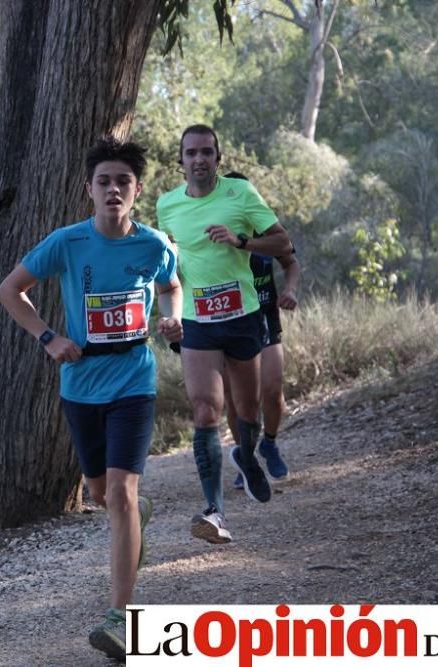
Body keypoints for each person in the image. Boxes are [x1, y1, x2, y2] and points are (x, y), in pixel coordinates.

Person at [0, 137, 182, 662]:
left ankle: (120, 617)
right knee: (101, 495)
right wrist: (48, 337)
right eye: (104, 182)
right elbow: (11, 290)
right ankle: (133, 513)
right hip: (80, 385)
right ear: (89, 190)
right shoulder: (67, 242)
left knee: (120, 494)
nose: (113, 190)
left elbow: (172, 284)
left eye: (123, 181)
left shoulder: (153, 243)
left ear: (136, 190)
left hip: (133, 380)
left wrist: (173, 316)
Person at [156, 124, 292, 545]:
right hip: (198, 322)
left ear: (218, 157)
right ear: (180, 162)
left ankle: (247, 456)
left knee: (247, 411)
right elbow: (167, 265)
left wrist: (241, 241)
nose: (199, 159)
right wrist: (169, 312)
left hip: (244, 316)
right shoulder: (167, 206)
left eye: (206, 152)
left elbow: (283, 243)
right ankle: (214, 512)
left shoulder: (241, 196)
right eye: (191, 153)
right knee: (205, 410)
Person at [221, 171, 300, 488]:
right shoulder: (213, 231)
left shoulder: (264, 228)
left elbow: (290, 262)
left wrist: (291, 289)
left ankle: (268, 442)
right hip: (228, 322)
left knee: (272, 389)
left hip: (265, 317)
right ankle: (246, 456)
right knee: (237, 400)